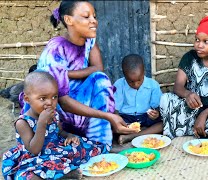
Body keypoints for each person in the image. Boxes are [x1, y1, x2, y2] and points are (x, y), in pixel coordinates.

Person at [19, 1, 137, 151]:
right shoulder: (56, 50)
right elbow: (63, 101)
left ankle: (101, 143)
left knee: (101, 80)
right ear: (68, 20)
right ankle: (71, 142)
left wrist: (66, 74)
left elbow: (98, 68)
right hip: (54, 111)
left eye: (94, 16)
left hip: (78, 103)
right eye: (86, 17)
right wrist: (108, 116)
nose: (93, 21)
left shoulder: (89, 40)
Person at [2, 71, 107, 180]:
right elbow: (34, 150)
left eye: (54, 97)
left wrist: (69, 136)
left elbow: (60, 132)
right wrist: (42, 123)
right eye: (43, 98)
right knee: (28, 176)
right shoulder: (22, 122)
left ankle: (62, 172)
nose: (50, 102)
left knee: (81, 145)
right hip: (34, 159)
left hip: (55, 149)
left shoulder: (53, 113)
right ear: (27, 99)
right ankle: (66, 174)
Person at [114, 54, 163, 145]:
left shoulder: (153, 85)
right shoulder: (119, 85)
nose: (136, 84)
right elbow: (115, 109)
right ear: (124, 75)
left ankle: (131, 136)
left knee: (163, 124)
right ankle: (143, 132)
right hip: (126, 118)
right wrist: (118, 121)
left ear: (144, 72)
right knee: (108, 124)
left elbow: (157, 108)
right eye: (131, 82)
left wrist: (155, 114)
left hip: (145, 117)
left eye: (139, 80)